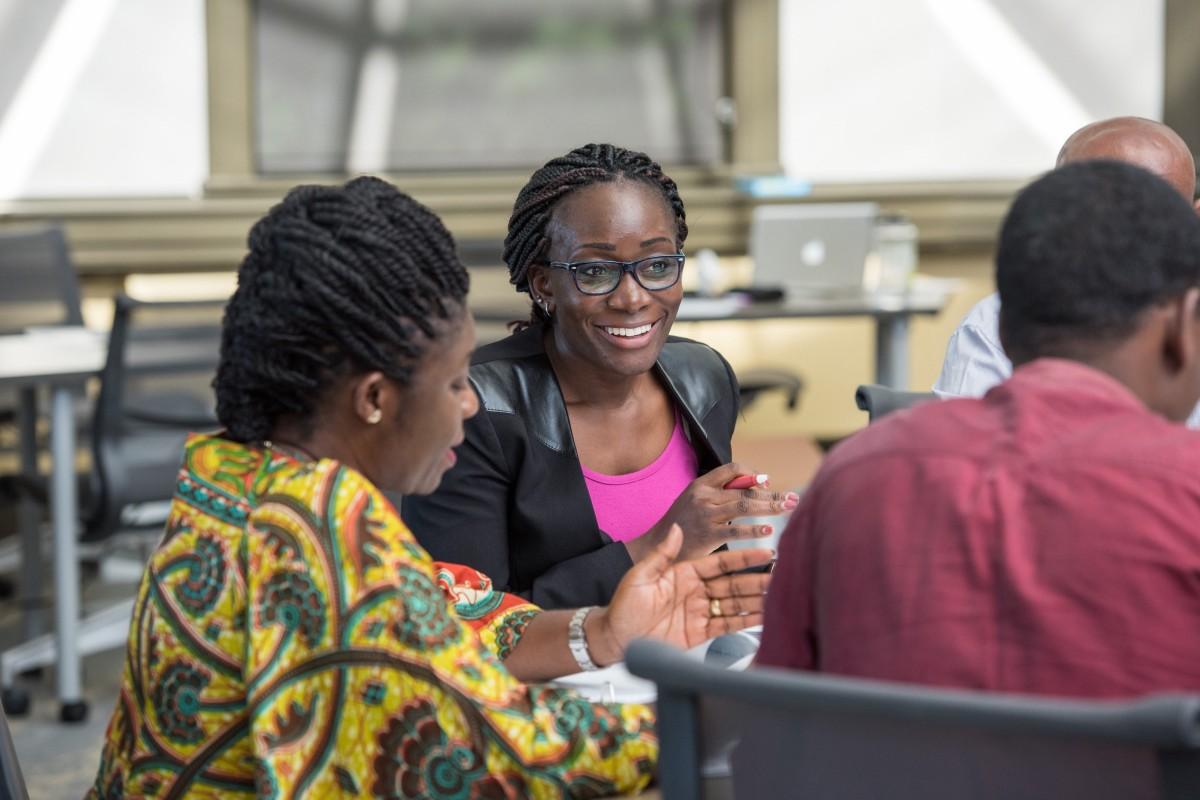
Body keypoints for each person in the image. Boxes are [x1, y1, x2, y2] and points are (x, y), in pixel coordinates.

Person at [89, 177, 772, 798]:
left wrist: (600, 630)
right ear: (376, 398)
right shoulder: (320, 532)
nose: (470, 406)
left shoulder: (234, 475)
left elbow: (450, 616)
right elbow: (493, 761)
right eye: (452, 385)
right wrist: (714, 713)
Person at [758, 161, 1200, 697]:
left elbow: (772, 722)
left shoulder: (850, 477)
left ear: (1004, 329)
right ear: (1185, 324)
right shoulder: (1186, 489)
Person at [404, 143, 798, 608]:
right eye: (595, 271)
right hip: (548, 679)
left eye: (656, 266)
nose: (632, 298)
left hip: (689, 660)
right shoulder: (473, 409)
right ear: (544, 283)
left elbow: (708, 559)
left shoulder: (703, 378)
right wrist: (661, 543)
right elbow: (465, 623)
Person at [935, 116, 1200, 430]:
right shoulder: (994, 322)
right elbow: (965, 453)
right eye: (1098, 210)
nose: (1125, 235)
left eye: (1153, 216)